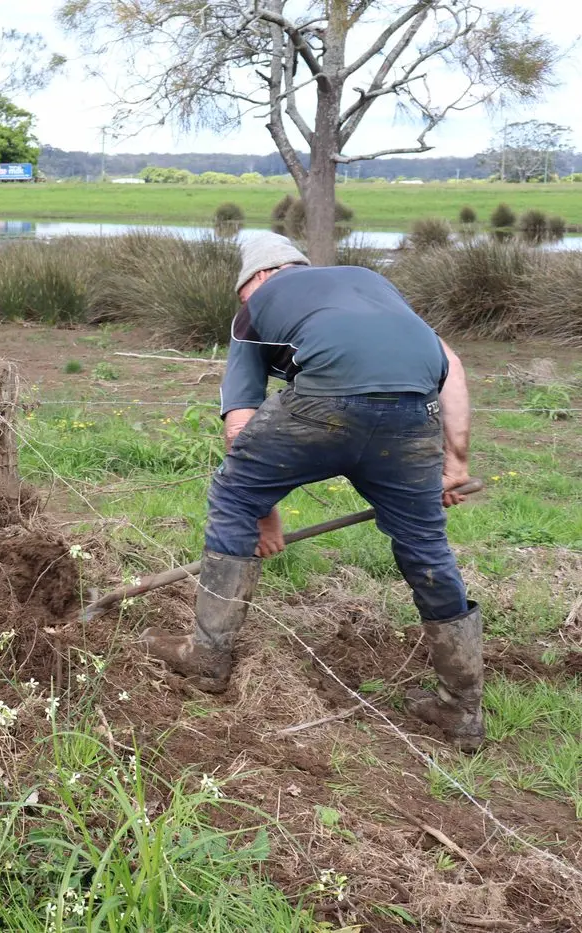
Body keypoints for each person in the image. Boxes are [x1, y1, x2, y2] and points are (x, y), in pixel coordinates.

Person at [140, 233, 484, 751]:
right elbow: (449, 364)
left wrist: (263, 516)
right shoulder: (371, 283)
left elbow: (240, 426)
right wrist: (453, 464)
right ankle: (461, 710)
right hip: (414, 413)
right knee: (425, 544)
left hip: (324, 405)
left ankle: (207, 659)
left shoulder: (258, 305)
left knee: (233, 498)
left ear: (254, 279)